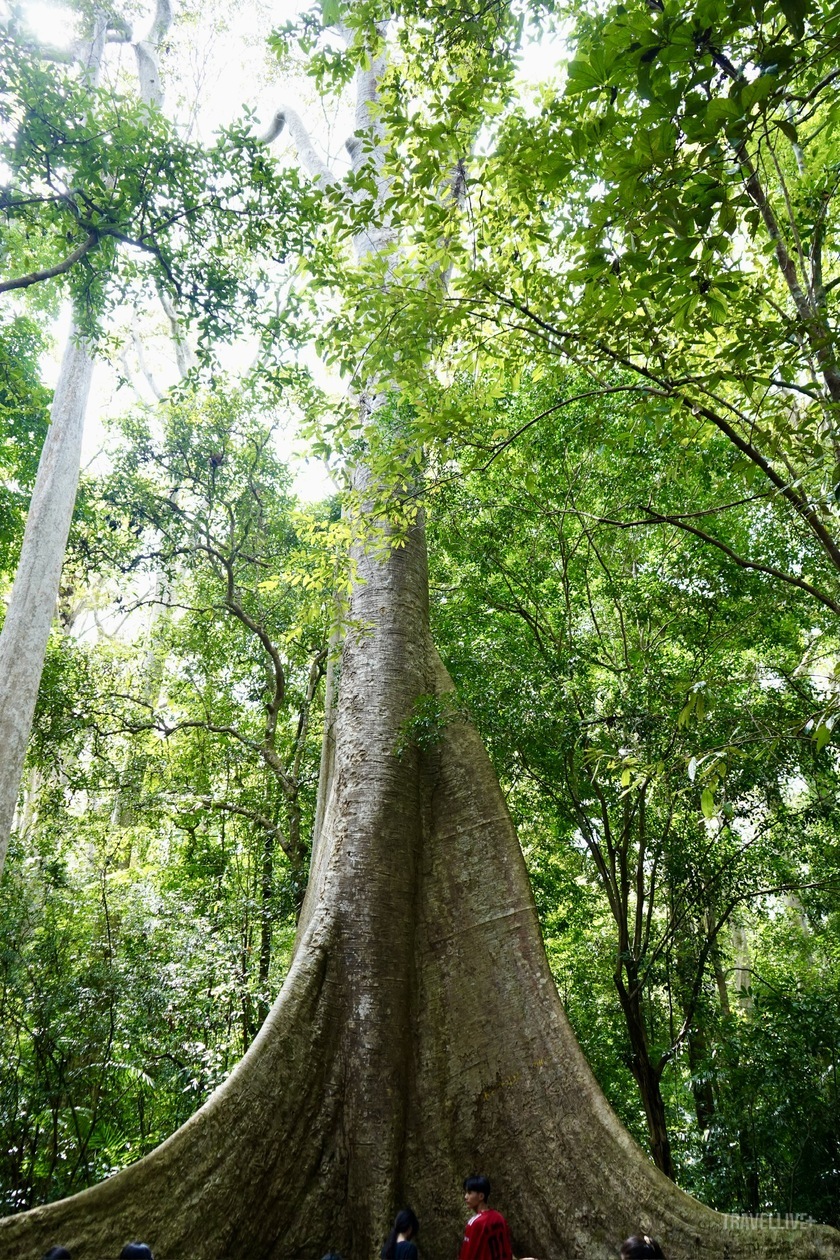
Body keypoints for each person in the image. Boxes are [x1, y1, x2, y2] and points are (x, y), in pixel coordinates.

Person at [458, 1174, 512, 1260]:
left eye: (469, 1193)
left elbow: (467, 1255)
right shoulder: (499, 1217)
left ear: (481, 1196)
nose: (465, 1197)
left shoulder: (475, 1223)